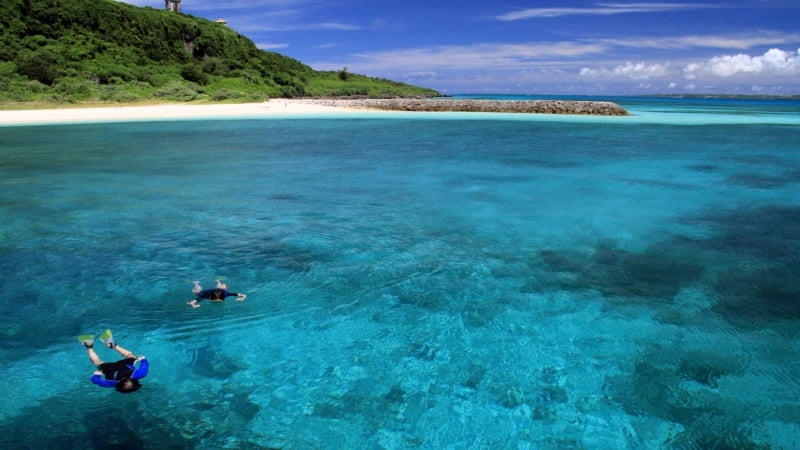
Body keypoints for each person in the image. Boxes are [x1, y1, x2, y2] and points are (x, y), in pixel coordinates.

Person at [81, 334, 148, 394]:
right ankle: (89, 345)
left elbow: (144, 367)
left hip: (124, 365)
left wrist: (142, 359)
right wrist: (97, 375)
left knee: (130, 356)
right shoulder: (111, 384)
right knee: (97, 362)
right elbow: (94, 380)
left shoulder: (139, 374)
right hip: (111, 369)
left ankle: (112, 344)